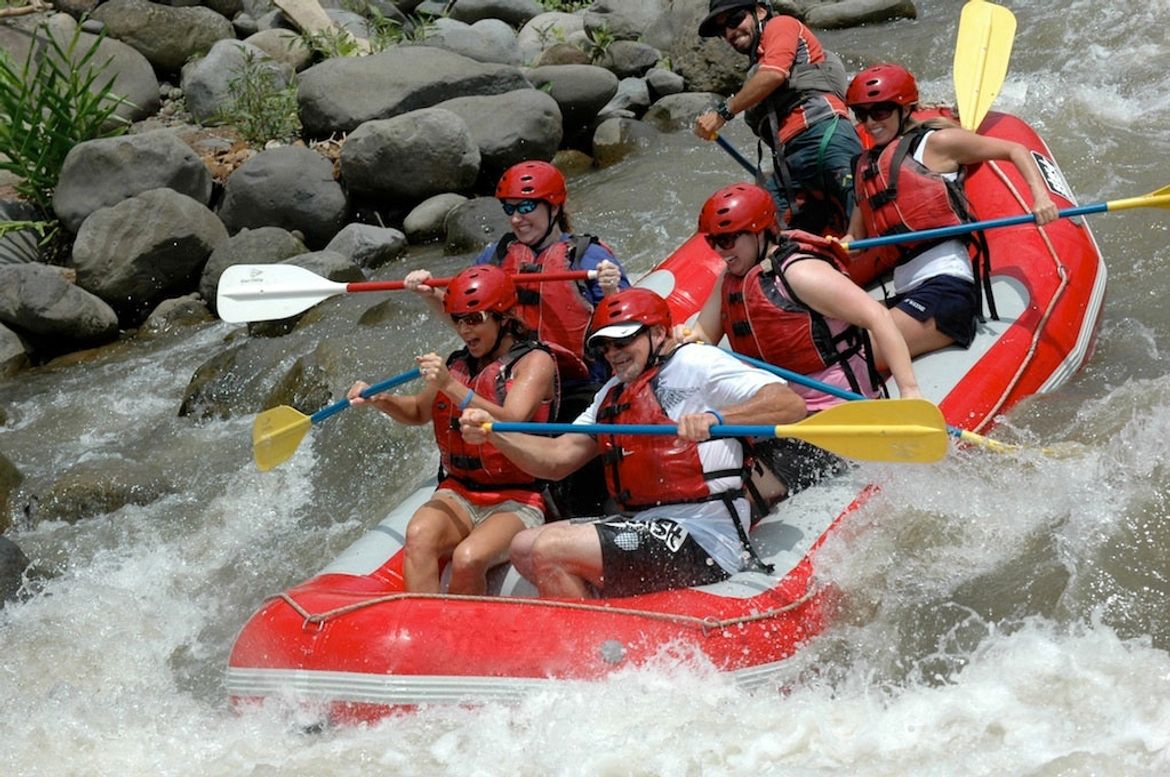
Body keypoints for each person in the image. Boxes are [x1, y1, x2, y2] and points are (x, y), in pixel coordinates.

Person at [458, 287, 808, 599]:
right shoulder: (611, 394)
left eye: (623, 342)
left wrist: (718, 419)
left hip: (706, 534)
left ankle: (588, 658)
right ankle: (604, 634)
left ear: (657, 333)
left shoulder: (697, 362)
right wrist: (496, 434)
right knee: (523, 546)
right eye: (605, 346)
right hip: (647, 523)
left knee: (550, 547)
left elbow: (790, 404)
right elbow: (556, 458)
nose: (613, 353)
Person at [680, 182, 922, 504]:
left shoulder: (799, 274)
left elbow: (877, 316)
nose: (721, 251)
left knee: (735, 488)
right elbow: (703, 336)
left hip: (831, 417)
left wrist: (909, 392)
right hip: (773, 411)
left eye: (727, 239)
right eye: (713, 242)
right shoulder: (731, 279)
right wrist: (680, 339)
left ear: (760, 232)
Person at [346, 265, 558, 595]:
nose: (463, 329)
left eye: (474, 320)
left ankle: (461, 639)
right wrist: (381, 399)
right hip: (459, 490)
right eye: (458, 319)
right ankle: (421, 632)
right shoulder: (457, 363)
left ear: (503, 318)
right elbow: (418, 412)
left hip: (518, 498)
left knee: (468, 558)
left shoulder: (535, 362)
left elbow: (510, 418)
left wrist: (449, 385)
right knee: (419, 535)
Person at [842, 63, 1060, 358]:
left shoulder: (936, 144)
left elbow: (1014, 150)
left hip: (946, 289)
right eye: (862, 114)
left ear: (905, 109)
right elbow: (855, 237)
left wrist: (1040, 198)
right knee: (831, 339)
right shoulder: (866, 167)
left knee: (856, 353)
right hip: (906, 290)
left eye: (880, 111)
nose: (870, 122)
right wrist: (844, 245)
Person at [404, 160, 630, 385]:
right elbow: (467, 322)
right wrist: (429, 292)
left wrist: (610, 291)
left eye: (525, 208)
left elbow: (628, 332)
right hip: (509, 381)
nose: (515, 219)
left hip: (577, 385)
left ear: (554, 207)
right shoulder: (495, 258)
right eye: (509, 209)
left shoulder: (589, 257)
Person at [693, 0, 861, 236]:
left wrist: (723, 113)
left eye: (735, 20)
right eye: (724, 30)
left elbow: (775, 74)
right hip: (790, 160)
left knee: (860, 198)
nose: (730, 32)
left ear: (760, 11)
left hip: (825, 133)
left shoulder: (781, 25)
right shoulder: (755, 69)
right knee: (759, 231)